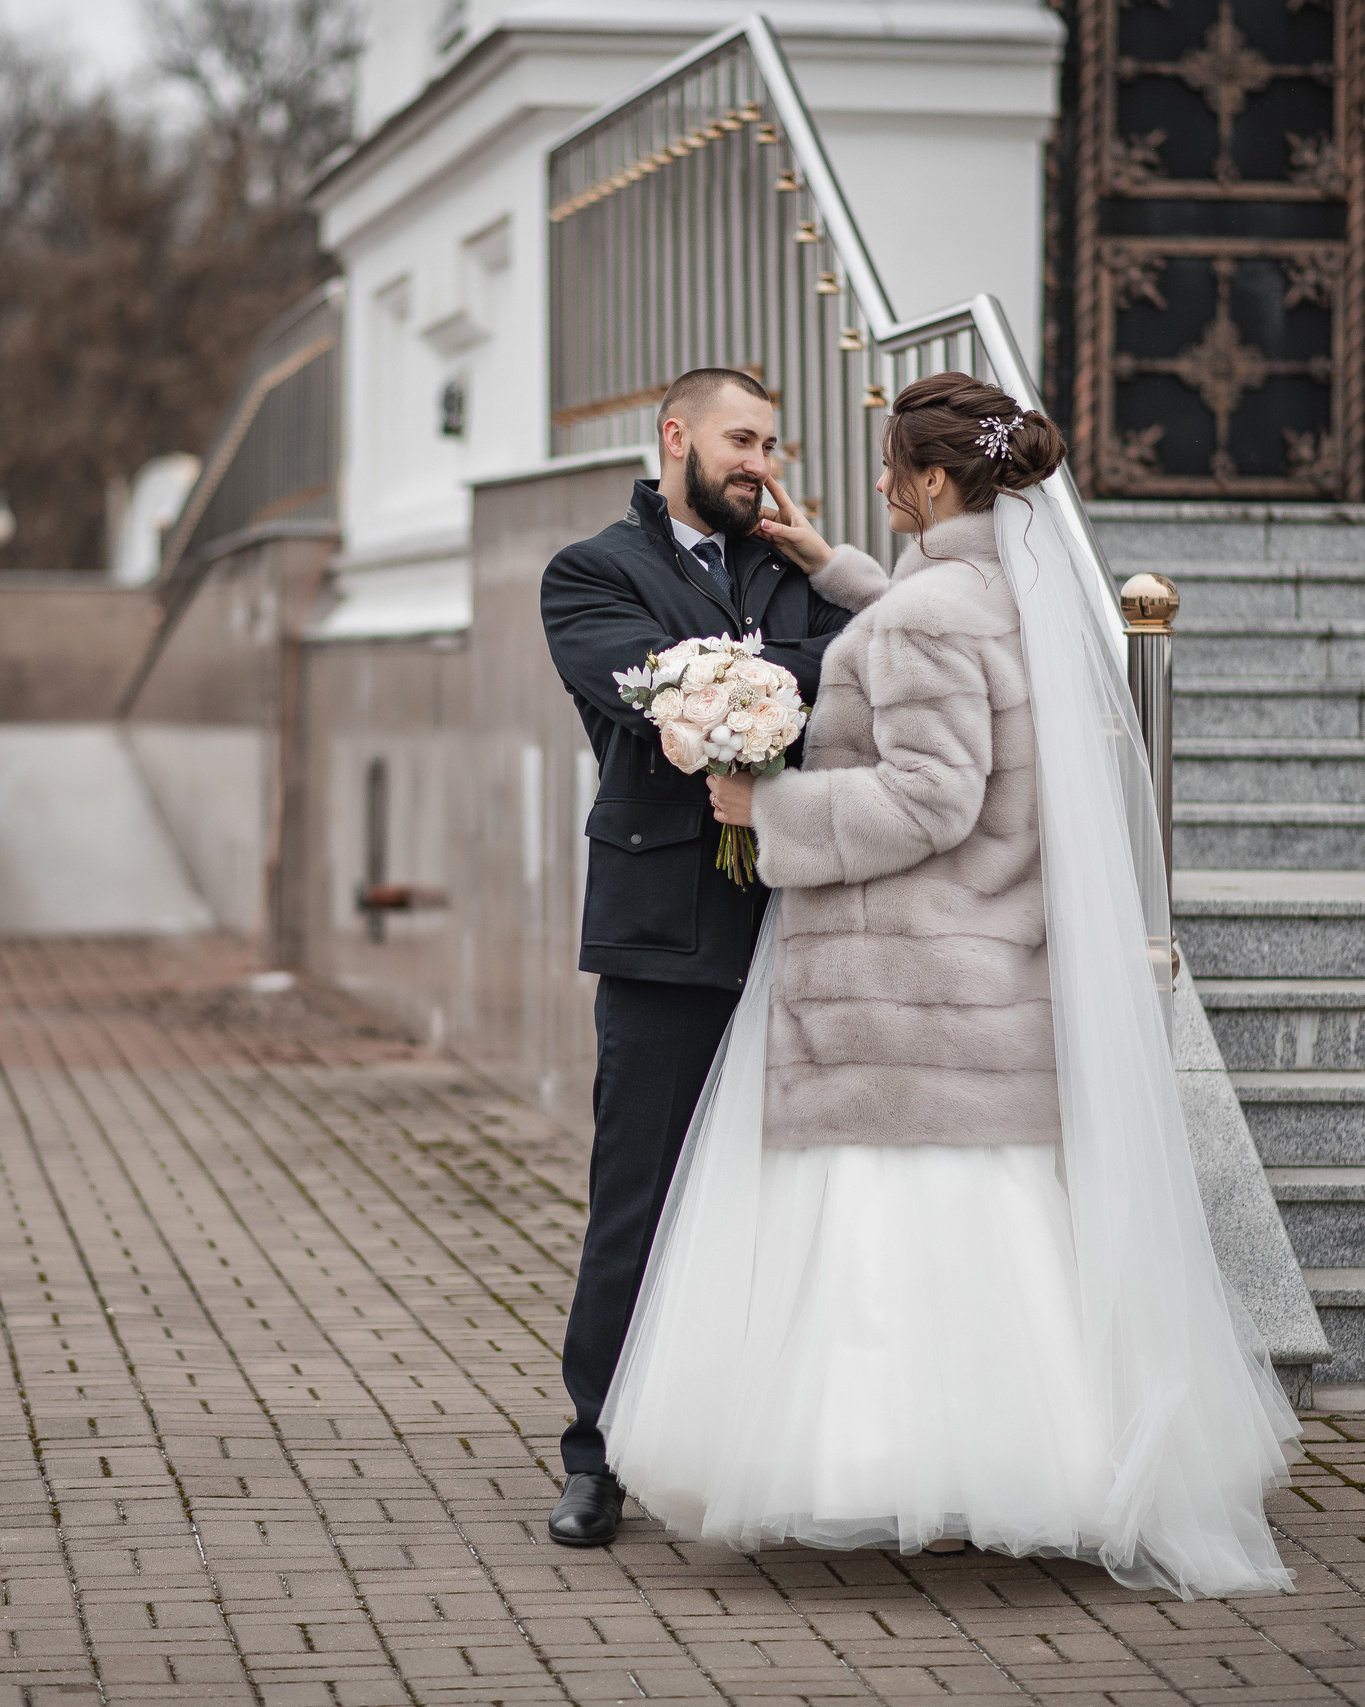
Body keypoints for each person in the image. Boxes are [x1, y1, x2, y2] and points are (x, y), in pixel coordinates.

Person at [599, 373, 1302, 1597]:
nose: (876, 486)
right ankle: (1006, 1477)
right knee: (989, 1247)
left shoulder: (930, 619)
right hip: (975, 980)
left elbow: (934, 794)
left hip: (903, 977)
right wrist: (843, 574)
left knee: (897, 1245)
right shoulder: (1003, 599)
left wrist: (773, 809)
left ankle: (910, 1480)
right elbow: (942, 652)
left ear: (931, 481)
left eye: (889, 468)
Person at [536, 367, 858, 1547]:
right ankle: (597, 1455)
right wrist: (769, 676)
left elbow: (870, 676)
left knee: (791, 1200)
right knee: (642, 1197)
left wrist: (759, 662)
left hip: (803, 922)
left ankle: (764, 1440)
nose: (758, 461)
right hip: (666, 930)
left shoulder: (800, 567)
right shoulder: (591, 572)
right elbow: (644, 692)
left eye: (771, 441)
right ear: (674, 437)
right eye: (738, 438)